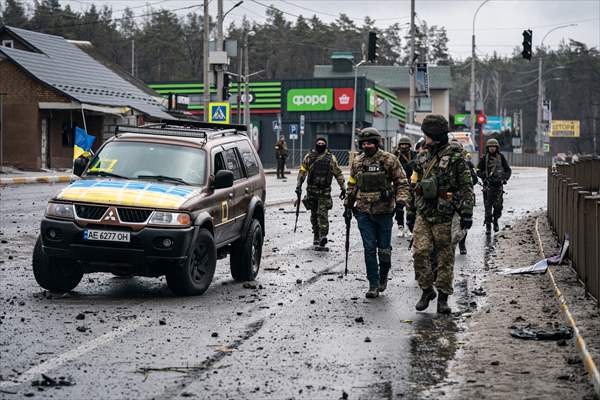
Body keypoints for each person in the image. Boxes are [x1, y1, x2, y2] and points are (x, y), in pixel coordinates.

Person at [406, 115, 474, 314]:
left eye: (427, 135)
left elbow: (466, 186)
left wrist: (467, 213)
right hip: (424, 214)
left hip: (445, 215)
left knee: (445, 259)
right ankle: (427, 290)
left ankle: (443, 298)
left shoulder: (455, 156)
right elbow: (415, 186)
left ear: (433, 136)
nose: (424, 139)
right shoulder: (423, 157)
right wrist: (410, 212)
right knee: (419, 252)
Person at [345, 128, 410, 298]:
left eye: (370, 143)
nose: (367, 146)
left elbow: (401, 182)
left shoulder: (389, 160)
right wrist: (347, 205)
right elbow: (352, 185)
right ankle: (373, 284)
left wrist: (400, 202)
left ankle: (383, 275)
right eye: (364, 143)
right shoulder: (357, 162)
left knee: (384, 250)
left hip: (384, 212)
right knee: (369, 249)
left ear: (377, 143)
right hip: (363, 212)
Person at [296, 137, 345, 248]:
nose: (320, 144)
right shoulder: (309, 157)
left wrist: (343, 187)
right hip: (312, 192)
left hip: (324, 192)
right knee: (314, 215)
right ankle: (316, 235)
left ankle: (323, 236)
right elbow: (302, 172)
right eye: (319, 143)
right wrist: (298, 186)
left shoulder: (331, 158)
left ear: (326, 145)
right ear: (315, 144)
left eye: (323, 143)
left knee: (322, 214)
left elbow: (338, 173)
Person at [477, 138, 512, 233]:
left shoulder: (501, 157)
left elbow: (508, 170)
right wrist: (484, 177)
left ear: (497, 147)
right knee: (488, 207)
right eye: (490, 147)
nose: (492, 148)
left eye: (494, 147)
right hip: (488, 187)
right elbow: (478, 170)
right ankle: (488, 225)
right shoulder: (484, 158)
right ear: (487, 148)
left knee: (498, 206)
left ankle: (495, 221)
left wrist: (504, 178)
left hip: (498, 186)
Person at [450, 139, 478, 255]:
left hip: (463, 199)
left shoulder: (465, 164)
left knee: (463, 223)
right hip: (447, 201)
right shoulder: (442, 163)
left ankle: (462, 244)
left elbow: (474, 181)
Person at [393, 137, 417, 238]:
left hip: (412, 184)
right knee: (399, 207)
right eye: (402, 145)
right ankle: (400, 226)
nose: (403, 146)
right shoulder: (395, 155)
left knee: (411, 208)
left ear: (409, 145)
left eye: (405, 144)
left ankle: (409, 226)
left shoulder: (414, 155)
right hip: (398, 185)